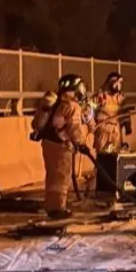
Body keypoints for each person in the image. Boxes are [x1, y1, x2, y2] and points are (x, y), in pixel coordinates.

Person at [34, 74, 90, 220]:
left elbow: (37, 124)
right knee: (61, 178)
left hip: (47, 143)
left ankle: (52, 206)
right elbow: (74, 128)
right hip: (61, 146)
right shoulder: (72, 106)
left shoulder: (56, 103)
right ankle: (58, 208)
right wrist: (81, 143)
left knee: (52, 176)